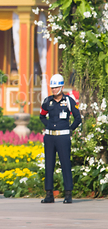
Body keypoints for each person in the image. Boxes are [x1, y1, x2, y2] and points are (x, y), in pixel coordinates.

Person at [40, 74, 82, 204]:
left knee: (65, 164)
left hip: (63, 137)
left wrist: (70, 129)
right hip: (50, 137)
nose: (54, 90)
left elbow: (78, 118)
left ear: (62, 87)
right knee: (49, 165)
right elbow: (42, 116)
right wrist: (48, 126)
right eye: (52, 87)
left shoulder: (69, 101)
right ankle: (49, 194)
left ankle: (68, 194)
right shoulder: (48, 101)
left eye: (56, 87)